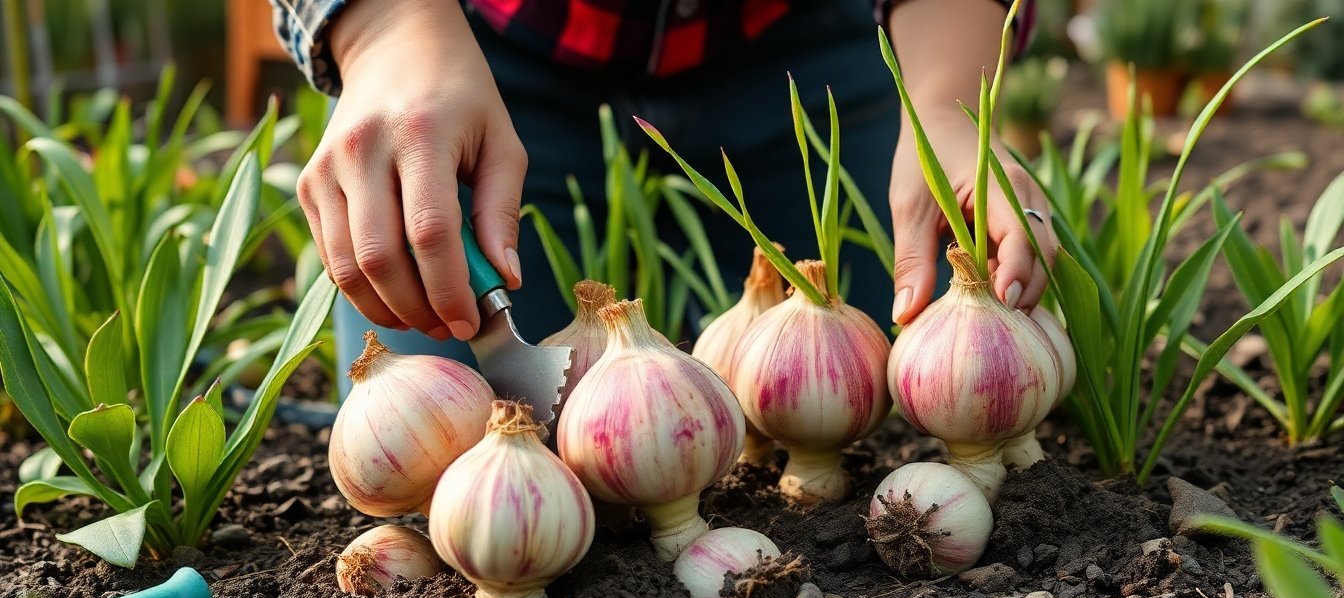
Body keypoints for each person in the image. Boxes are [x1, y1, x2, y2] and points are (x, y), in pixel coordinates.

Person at [270, 0, 1058, 390]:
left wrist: (946, 101)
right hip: (471, 52)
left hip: (823, 44)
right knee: (437, 451)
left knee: (876, 392)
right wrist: (384, 30)